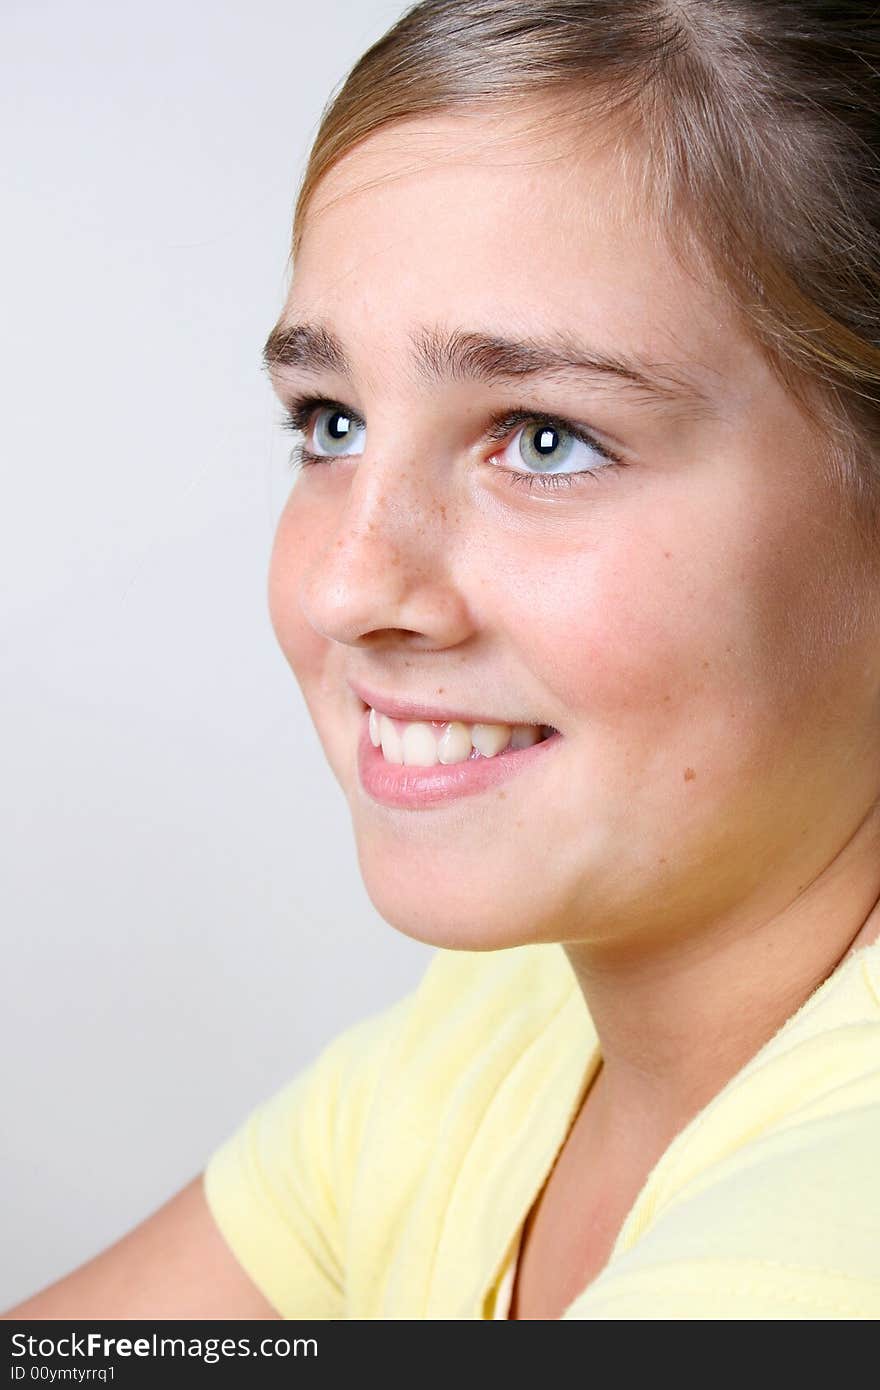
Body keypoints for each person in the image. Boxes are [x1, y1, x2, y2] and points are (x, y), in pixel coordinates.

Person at [5, 0, 880, 1321]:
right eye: (333, 420)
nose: (350, 585)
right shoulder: (501, 1029)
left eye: (542, 437)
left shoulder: (818, 1256)